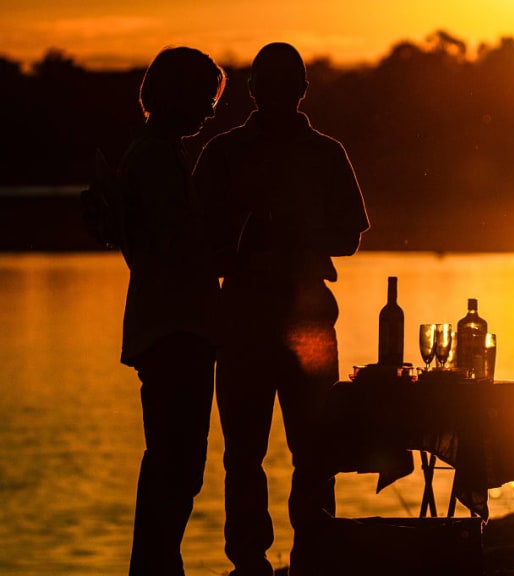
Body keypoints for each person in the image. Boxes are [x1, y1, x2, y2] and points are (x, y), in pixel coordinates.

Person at [193, 42, 370, 576]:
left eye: (285, 83)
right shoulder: (223, 154)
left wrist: (296, 233)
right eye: (270, 84)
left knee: (314, 447)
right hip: (246, 312)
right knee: (245, 450)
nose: (278, 94)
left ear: (301, 90)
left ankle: (313, 553)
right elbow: (198, 236)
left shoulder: (326, 152)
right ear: (254, 90)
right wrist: (248, 241)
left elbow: (351, 236)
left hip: (307, 315)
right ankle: (251, 560)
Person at [119, 47, 226, 576]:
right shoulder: (157, 158)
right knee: (176, 465)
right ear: (172, 95)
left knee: (174, 463)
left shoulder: (156, 153)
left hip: (170, 327)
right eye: (204, 99)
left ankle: (159, 565)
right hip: (175, 329)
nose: (209, 111)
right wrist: (238, 240)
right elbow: (177, 246)